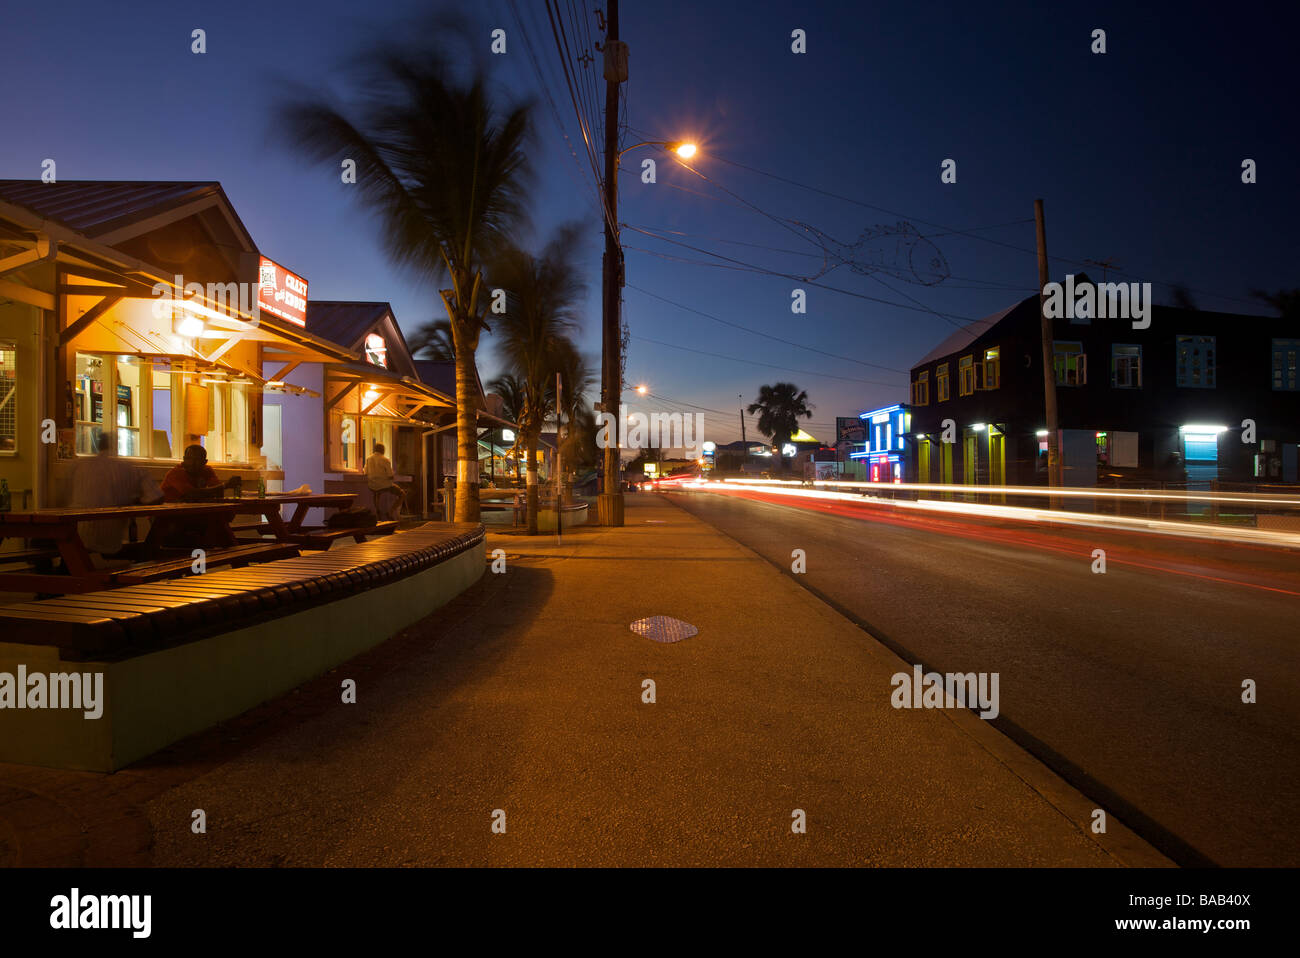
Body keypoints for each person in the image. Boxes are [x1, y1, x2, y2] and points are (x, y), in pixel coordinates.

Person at [70, 431, 157, 557]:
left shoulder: (78, 466)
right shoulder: (131, 468)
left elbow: (61, 498)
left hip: (78, 536)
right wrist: (135, 502)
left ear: (97, 445)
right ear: (117, 445)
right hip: (112, 541)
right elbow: (157, 497)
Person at [161, 444, 238, 501]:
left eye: (197, 459)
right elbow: (192, 494)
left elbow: (218, 491)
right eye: (189, 459)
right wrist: (225, 486)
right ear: (184, 459)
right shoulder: (176, 473)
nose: (192, 463)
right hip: (166, 514)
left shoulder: (207, 470)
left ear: (204, 462)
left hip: (189, 510)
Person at [364, 443, 405, 519]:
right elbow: (390, 475)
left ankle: (377, 513)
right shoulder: (385, 460)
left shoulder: (368, 459)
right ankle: (390, 512)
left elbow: (365, 472)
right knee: (402, 494)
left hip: (372, 485)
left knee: (377, 494)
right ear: (383, 450)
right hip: (384, 486)